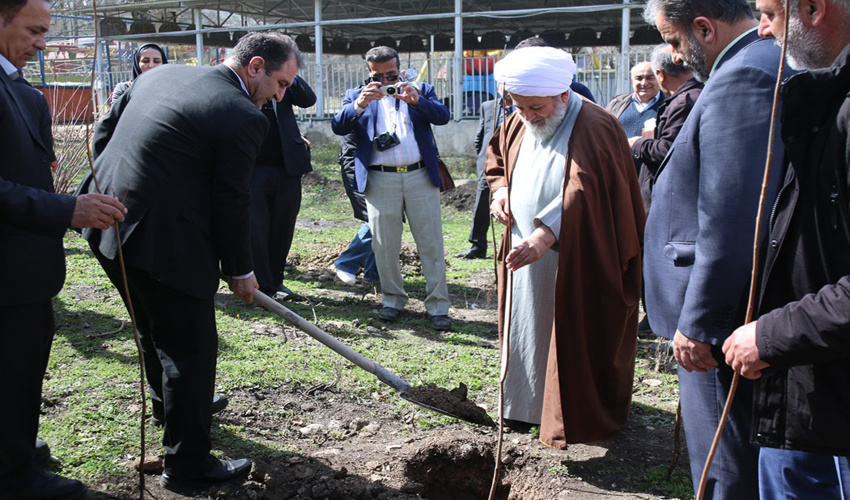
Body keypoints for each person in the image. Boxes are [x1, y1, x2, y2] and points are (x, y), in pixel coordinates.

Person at [79, 31, 302, 491]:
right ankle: (187, 467)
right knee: (191, 352)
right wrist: (241, 270)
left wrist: (102, 193)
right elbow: (230, 200)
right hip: (165, 245)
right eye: (281, 84)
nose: (282, 96)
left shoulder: (162, 74)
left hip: (109, 224)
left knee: (151, 327)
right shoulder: (242, 116)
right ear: (255, 66)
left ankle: (171, 409)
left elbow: (106, 132)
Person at [641, 0, 797, 497]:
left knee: (724, 467)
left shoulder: (742, 77)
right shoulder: (762, 63)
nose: (676, 56)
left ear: (703, 28)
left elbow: (731, 217)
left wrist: (702, 322)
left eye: (673, 41)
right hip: (738, 317)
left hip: (719, 329)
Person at [722, 0, 850, 497]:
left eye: (770, 13)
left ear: (814, 9)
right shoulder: (830, 94)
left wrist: (773, 335)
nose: (761, 29)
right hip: (814, 384)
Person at [486, 46, 644, 445]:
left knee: (571, 330)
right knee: (527, 325)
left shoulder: (595, 124)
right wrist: (501, 190)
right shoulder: (521, 118)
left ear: (562, 94)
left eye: (535, 107)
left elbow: (588, 188)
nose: (528, 116)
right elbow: (498, 157)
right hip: (525, 250)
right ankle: (525, 406)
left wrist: (544, 234)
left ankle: (568, 413)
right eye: (520, 107)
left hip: (578, 254)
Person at [0, 0, 127, 497]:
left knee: (23, 367)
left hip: (27, 266)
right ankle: (12, 478)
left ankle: (16, 448)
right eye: (33, 30)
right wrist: (63, 211)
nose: (42, 43)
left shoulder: (24, 92)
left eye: (45, 31)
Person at [331, 46, 452, 331]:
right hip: (380, 178)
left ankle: (438, 306)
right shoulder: (355, 96)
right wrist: (359, 104)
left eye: (391, 75)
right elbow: (338, 126)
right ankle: (392, 300)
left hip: (419, 175)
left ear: (400, 69)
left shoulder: (420, 88)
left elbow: (442, 116)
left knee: (431, 243)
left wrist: (417, 100)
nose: (386, 82)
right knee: (384, 245)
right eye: (379, 76)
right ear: (368, 73)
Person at [250, 74, 316, 301]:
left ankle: (276, 281)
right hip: (252, 167)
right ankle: (261, 287)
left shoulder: (285, 81)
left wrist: (291, 75)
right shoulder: (248, 79)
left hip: (287, 167)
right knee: (256, 228)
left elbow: (308, 100)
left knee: (283, 225)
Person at [629, 44, 703, 214]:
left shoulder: (684, 102)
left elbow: (669, 150)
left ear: (660, 75)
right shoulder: (697, 94)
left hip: (675, 201)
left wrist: (638, 143)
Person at [455, 94, 513, 260]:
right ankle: (477, 246)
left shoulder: (524, 106)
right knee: (482, 204)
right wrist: (483, 159)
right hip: (490, 165)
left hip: (517, 161)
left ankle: (511, 246)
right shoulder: (488, 106)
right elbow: (480, 136)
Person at [334, 130, 380, 284]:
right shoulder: (360, 108)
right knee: (378, 218)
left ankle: (374, 274)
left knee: (389, 218)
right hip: (357, 167)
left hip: (379, 170)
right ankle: (347, 264)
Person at [605, 61, 666, 139]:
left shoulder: (670, 105)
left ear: (659, 78)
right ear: (632, 81)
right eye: (639, 78)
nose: (644, 83)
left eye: (650, 78)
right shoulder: (617, 104)